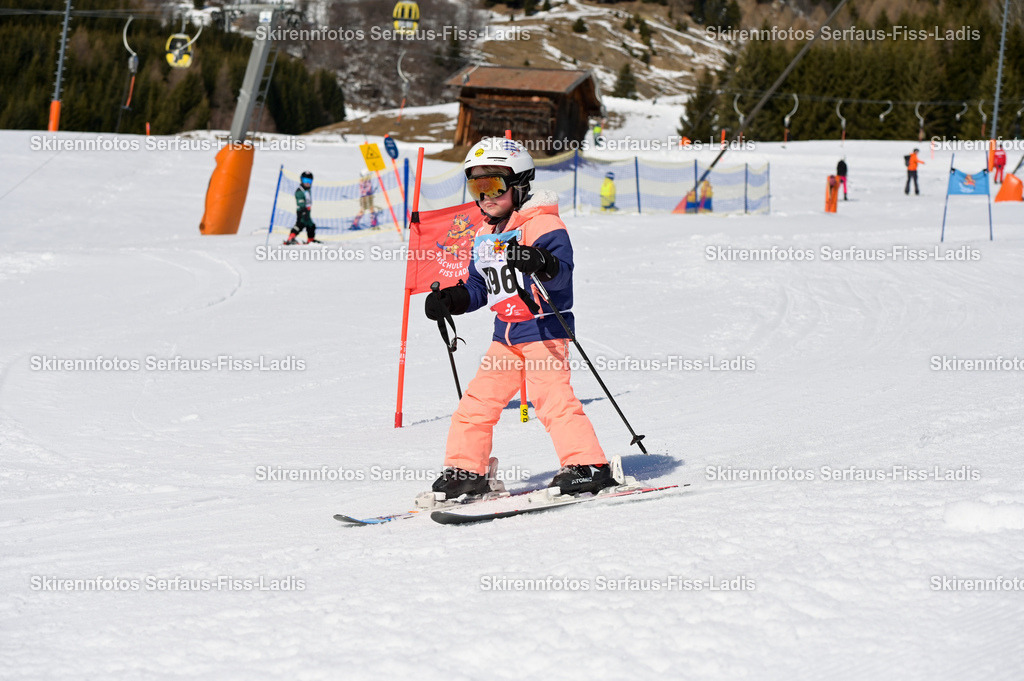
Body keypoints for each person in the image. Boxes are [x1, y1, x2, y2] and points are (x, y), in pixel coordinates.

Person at [423, 137, 613, 499]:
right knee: (475, 405)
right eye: (477, 187)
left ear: (520, 185)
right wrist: (452, 299)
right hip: (505, 337)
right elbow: (480, 287)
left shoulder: (542, 226)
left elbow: (562, 276)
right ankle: (468, 472)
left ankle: (588, 465)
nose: (486, 196)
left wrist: (541, 262)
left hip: (543, 330)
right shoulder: (484, 233)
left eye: (493, 185)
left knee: (553, 402)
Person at [284, 171, 319, 244]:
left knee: (311, 225)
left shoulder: (307, 189)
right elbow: (300, 202)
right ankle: (291, 238)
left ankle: (311, 240)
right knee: (300, 224)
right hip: (302, 211)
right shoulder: (300, 191)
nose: (307, 183)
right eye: (305, 181)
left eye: (309, 181)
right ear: (301, 180)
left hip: (307, 211)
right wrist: (303, 211)